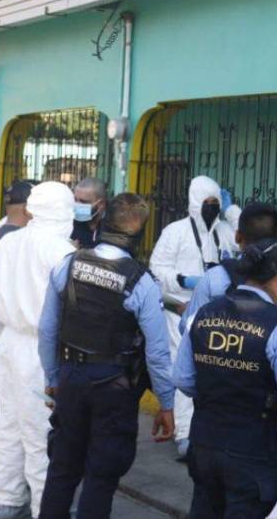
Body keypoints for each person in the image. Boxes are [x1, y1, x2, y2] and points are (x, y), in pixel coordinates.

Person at [38, 193, 176, 519]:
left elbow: (47, 330)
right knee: (101, 476)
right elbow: (157, 353)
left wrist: (53, 379)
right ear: (140, 234)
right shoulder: (142, 282)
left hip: (71, 376)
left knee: (62, 468)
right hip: (114, 387)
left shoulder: (68, 265)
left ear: (101, 223)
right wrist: (167, 405)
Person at [174, 238, 277, 517]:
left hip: (205, 441)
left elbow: (182, 378)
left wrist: (217, 393)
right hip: (254, 450)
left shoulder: (202, 315)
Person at [0, 181, 76, 519]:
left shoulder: (8, 243)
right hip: (42, 351)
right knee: (41, 433)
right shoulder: (62, 254)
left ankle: (7, 499)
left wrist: (1, 336)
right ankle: (44, 508)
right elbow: (70, 312)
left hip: (9, 343)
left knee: (11, 424)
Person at [149, 175, 240, 460]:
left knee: (212, 373)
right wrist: (181, 281)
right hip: (181, 310)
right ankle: (185, 434)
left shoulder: (225, 231)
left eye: (216, 202)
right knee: (183, 368)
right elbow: (157, 267)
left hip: (216, 312)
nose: (211, 207)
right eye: (207, 202)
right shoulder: (175, 232)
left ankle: (208, 432)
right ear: (194, 202)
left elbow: (245, 243)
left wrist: (232, 211)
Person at [180, 202, 277, 349]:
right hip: (274, 367)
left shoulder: (214, 277)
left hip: (219, 364)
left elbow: (188, 328)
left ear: (237, 236)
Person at [0, 181, 35, 452]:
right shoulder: (14, 241)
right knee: (12, 394)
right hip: (7, 329)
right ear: (27, 209)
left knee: (1, 387)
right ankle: (3, 447)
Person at [71, 177, 107, 248]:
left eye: (83, 202)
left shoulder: (113, 226)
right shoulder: (69, 224)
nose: (77, 205)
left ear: (101, 204)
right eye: (75, 200)